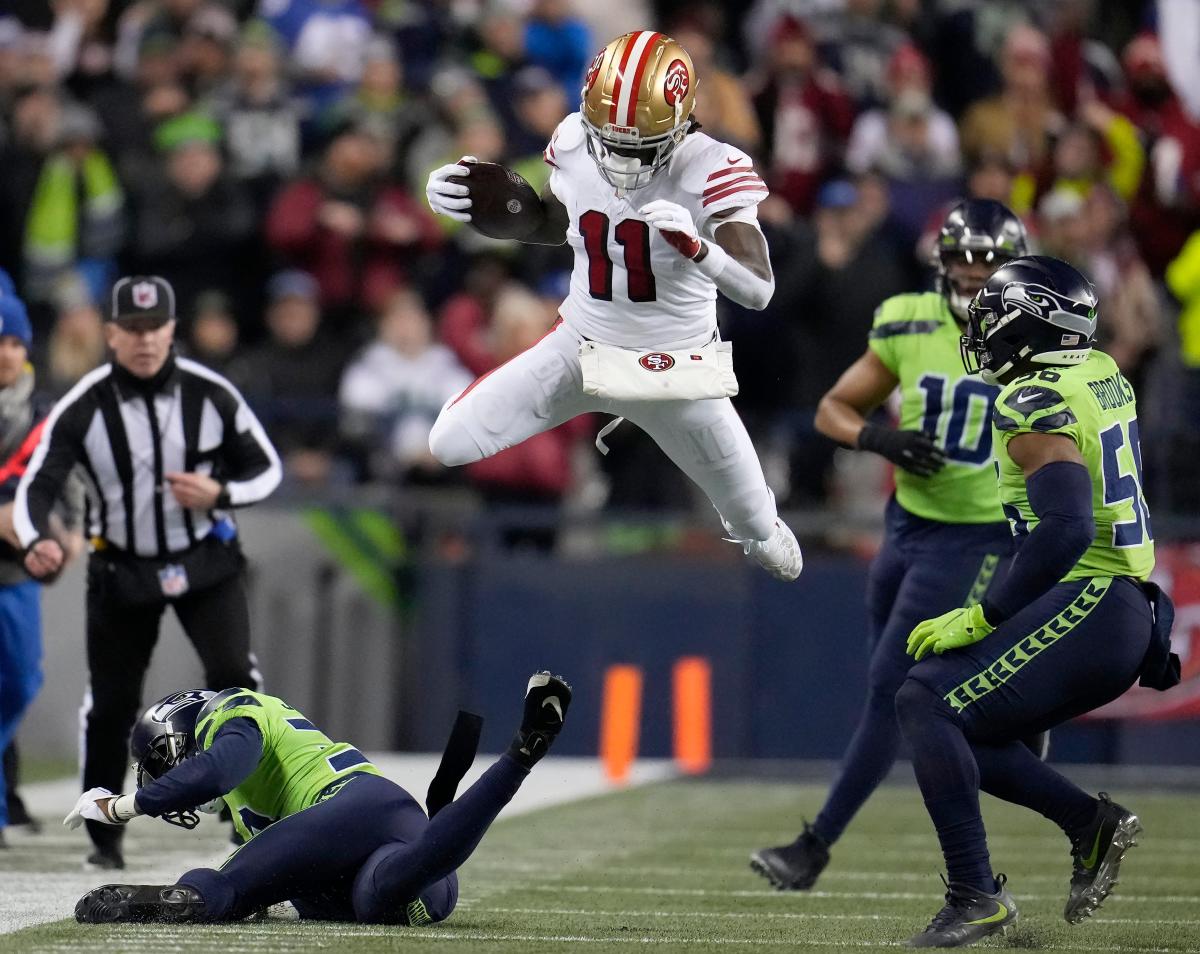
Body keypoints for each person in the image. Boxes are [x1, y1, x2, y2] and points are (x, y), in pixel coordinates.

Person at [426, 30, 802, 581]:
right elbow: (557, 222)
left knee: (758, 530)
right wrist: (477, 202)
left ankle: (762, 525)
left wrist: (701, 249)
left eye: (640, 145)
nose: (622, 159)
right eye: (612, 140)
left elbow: (758, 287)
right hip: (583, 345)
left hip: (677, 369)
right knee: (448, 442)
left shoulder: (710, 166)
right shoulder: (576, 140)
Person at [896, 255, 1177, 947]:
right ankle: (1088, 825)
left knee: (924, 701)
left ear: (1031, 327)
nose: (983, 330)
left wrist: (986, 614)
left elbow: (1067, 528)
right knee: (960, 724)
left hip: (1095, 597)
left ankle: (974, 896)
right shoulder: (1100, 371)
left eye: (996, 318)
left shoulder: (1030, 400)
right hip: (1119, 603)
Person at [750, 200, 1028, 890]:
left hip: (974, 537)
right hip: (904, 523)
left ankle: (815, 846)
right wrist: (880, 436)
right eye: (962, 256)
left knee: (891, 690)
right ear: (940, 261)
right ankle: (1063, 817)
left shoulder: (1033, 336)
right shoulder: (910, 318)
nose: (972, 270)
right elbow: (832, 410)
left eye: (987, 259)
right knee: (891, 692)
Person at [15, 275, 283, 870]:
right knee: (111, 704)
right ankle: (102, 837)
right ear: (111, 334)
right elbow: (37, 485)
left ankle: (250, 810)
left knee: (236, 679)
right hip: (121, 568)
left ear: (171, 330)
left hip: (204, 559)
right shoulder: (83, 405)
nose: (143, 340)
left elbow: (267, 470)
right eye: (131, 329)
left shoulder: (211, 394)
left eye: (154, 327)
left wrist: (220, 491)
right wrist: (35, 539)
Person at [68, 671, 572, 925]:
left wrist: (123, 806)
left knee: (225, 888)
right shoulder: (247, 807)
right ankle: (520, 756)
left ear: (181, 734)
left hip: (354, 803)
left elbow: (220, 769)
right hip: (418, 869)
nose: (163, 778)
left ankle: (173, 900)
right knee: (381, 894)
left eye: (162, 763)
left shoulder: (233, 713)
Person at [0, 280, 82, 844]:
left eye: (13, 342)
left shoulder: (46, 413)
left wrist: (71, 535)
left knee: (21, 679)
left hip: (14, 571)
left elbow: (67, 484)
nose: (5, 352)